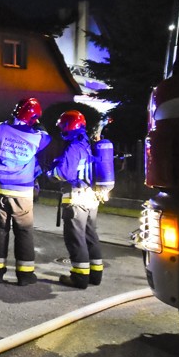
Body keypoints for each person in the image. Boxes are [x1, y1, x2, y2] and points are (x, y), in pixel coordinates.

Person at [0, 97, 51, 286]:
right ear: (33, 117)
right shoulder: (36, 137)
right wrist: (37, 123)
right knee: (24, 232)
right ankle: (25, 275)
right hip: (22, 191)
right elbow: (47, 138)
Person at [47, 110, 103, 289]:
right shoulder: (87, 144)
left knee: (76, 238)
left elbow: (64, 173)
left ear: (69, 126)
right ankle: (95, 274)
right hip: (91, 198)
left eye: (63, 125)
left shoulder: (74, 147)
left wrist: (50, 173)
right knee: (90, 236)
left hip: (76, 198)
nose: (61, 129)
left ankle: (79, 277)